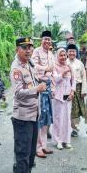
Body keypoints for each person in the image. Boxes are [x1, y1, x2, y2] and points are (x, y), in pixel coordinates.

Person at [11, 37, 46, 173]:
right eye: (24, 47)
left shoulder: (29, 63)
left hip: (33, 114)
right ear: (18, 49)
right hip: (22, 117)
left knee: (31, 153)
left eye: (30, 47)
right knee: (23, 154)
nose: (28, 50)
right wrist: (36, 89)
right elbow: (18, 93)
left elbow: (32, 82)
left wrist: (40, 82)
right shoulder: (16, 68)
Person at [32, 30, 55, 158]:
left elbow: (53, 71)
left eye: (49, 39)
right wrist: (44, 68)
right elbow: (34, 65)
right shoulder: (36, 51)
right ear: (41, 40)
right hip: (39, 86)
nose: (47, 41)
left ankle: (44, 145)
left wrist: (53, 88)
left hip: (48, 87)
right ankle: (37, 147)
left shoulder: (51, 54)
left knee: (47, 117)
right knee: (40, 116)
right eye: (45, 39)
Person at [51, 48, 76, 150]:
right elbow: (55, 80)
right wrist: (62, 73)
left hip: (68, 96)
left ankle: (66, 140)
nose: (63, 57)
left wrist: (72, 92)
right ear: (57, 56)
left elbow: (74, 81)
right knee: (58, 119)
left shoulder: (70, 66)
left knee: (66, 119)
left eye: (64, 55)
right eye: (60, 55)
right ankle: (58, 141)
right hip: (58, 97)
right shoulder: (54, 67)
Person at [67, 44, 87, 137]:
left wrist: (84, 90)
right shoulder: (64, 62)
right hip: (66, 88)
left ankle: (75, 129)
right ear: (67, 53)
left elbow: (84, 77)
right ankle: (67, 127)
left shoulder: (80, 63)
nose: (71, 53)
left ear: (76, 53)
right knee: (67, 108)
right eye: (70, 51)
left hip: (78, 89)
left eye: (73, 51)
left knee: (76, 110)